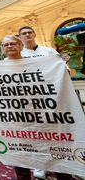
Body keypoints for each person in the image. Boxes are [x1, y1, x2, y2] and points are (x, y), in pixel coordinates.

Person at [1, 35, 72, 180]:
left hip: (44, 112)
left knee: (55, 148)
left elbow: (59, 75)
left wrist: (61, 65)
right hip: (17, 117)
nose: (9, 46)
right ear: (2, 49)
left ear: (21, 46)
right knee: (21, 154)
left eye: (13, 43)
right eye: (6, 45)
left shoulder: (37, 61)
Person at [18, 26, 70, 179]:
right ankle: (39, 166)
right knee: (35, 134)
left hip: (50, 98)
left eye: (29, 32)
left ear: (34, 34)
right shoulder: (18, 54)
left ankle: (58, 163)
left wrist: (64, 63)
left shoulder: (50, 52)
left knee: (53, 133)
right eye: (24, 33)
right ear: (20, 37)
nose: (27, 35)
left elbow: (64, 72)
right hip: (29, 101)